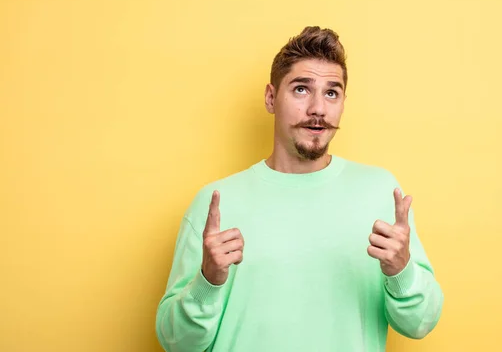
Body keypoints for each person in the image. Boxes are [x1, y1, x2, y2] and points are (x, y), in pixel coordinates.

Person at [155, 26, 444, 352]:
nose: (318, 108)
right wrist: (207, 281)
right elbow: (176, 343)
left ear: (343, 103)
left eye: (332, 93)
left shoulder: (380, 192)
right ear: (270, 98)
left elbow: (420, 323)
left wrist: (402, 270)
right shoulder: (215, 204)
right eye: (302, 89)